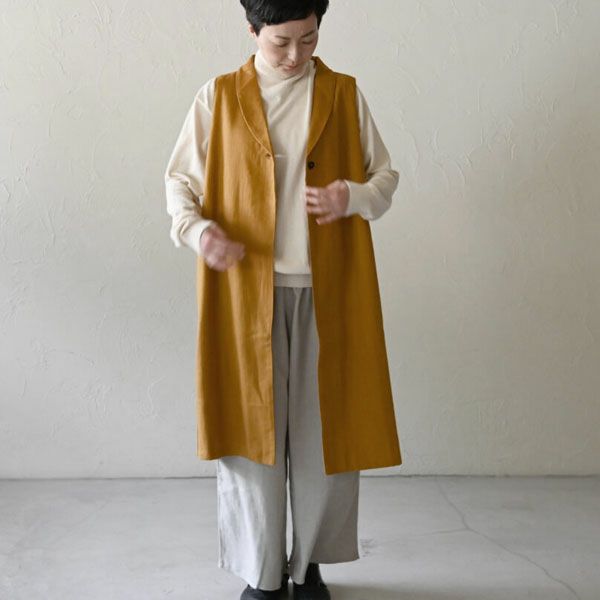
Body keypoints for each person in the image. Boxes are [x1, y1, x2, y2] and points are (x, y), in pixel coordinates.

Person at [164, 1, 403, 598]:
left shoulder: (343, 94)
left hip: (330, 294)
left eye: (309, 39)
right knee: (251, 442)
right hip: (246, 297)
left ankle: (309, 565)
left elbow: (384, 179)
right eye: (281, 42)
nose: (296, 55)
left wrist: (351, 197)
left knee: (325, 440)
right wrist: (199, 232)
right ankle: (263, 573)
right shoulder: (218, 97)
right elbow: (180, 182)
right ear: (252, 31)